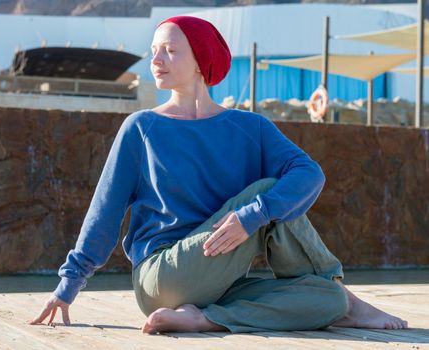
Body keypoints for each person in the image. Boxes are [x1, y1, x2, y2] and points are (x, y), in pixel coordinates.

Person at [29, 15, 408, 333]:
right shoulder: (141, 127)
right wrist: (68, 286)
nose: (156, 59)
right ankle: (348, 300)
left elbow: (310, 173)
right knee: (269, 191)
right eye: (155, 50)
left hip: (220, 283)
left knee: (326, 298)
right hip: (162, 277)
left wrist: (253, 216)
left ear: (199, 62)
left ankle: (208, 319)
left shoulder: (249, 127)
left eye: (170, 51)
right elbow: (104, 213)